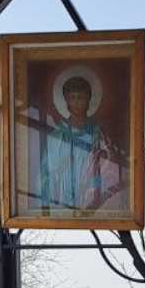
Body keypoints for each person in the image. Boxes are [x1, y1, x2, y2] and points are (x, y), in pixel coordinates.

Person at [40, 75, 106, 212]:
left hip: (91, 198)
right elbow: (46, 173)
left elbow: (107, 166)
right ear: (66, 101)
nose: (76, 102)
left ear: (88, 100)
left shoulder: (97, 133)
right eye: (72, 98)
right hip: (63, 199)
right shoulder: (57, 136)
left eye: (80, 97)